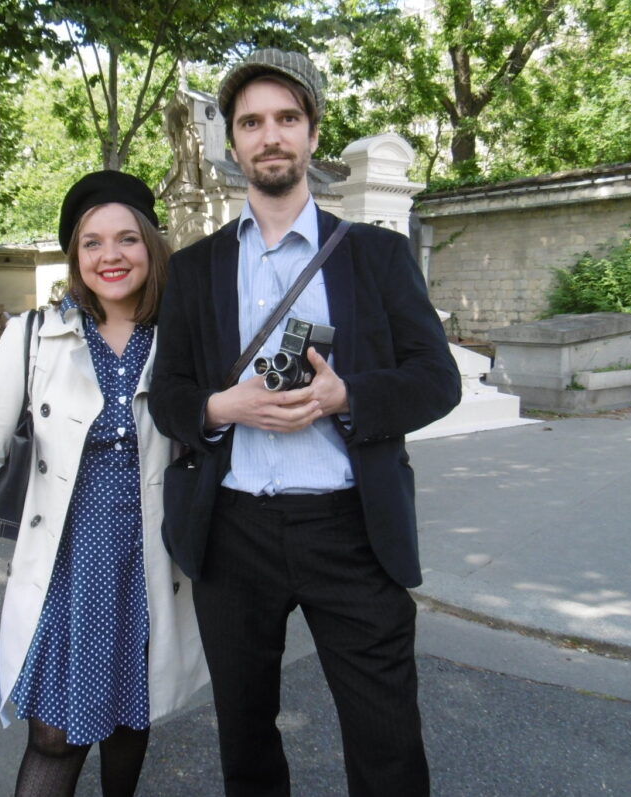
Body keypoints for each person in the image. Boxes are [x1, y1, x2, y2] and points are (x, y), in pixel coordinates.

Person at [148, 49, 462, 797]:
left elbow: (436, 379)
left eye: (287, 118)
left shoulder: (377, 256)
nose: (270, 136)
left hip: (351, 529)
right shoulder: (194, 270)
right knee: (247, 744)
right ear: (233, 143)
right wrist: (223, 407)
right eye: (251, 122)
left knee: (387, 742)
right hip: (234, 532)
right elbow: (168, 396)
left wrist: (344, 397)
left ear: (313, 134)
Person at [0, 171, 207, 797]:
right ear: (76, 257)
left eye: (128, 239)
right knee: (54, 736)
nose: (111, 256)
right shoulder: (35, 336)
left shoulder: (182, 338)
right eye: (92, 243)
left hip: (150, 562)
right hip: (65, 568)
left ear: (151, 246)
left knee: (134, 716)